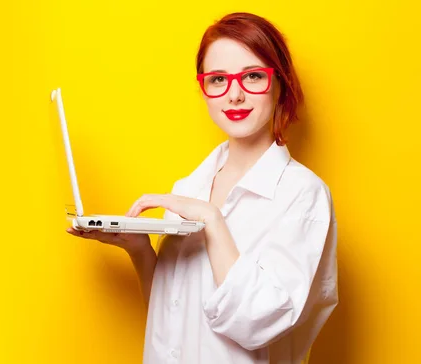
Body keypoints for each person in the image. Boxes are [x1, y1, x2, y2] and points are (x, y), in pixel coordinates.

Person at [66, 11, 338, 364]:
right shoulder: (189, 187)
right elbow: (170, 317)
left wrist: (212, 220)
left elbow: (257, 324)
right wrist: (140, 250)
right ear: (204, 89)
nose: (234, 95)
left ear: (280, 83)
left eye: (253, 76)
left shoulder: (304, 196)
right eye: (218, 79)